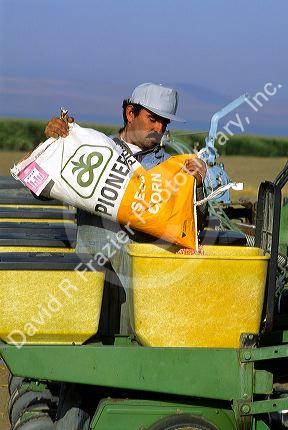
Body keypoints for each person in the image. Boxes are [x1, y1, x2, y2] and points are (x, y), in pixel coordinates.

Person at [44, 83, 207, 429]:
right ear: (129, 112)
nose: (160, 129)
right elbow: (44, 187)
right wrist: (54, 142)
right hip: (93, 287)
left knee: (137, 379)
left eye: (165, 123)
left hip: (145, 298)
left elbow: (194, 223)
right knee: (79, 377)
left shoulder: (172, 165)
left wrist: (199, 186)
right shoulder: (93, 151)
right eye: (153, 119)